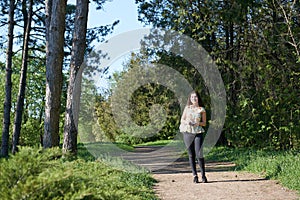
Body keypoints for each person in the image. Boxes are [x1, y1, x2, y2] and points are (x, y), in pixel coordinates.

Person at [180, 91, 208, 183]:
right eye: (192, 97)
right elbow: (182, 120)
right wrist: (187, 122)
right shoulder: (187, 108)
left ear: (198, 98)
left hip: (198, 132)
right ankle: (195, 175)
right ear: (190, 99)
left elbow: (204, 123)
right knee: (191, 154)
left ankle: (203, 175)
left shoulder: (202, 109)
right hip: (187, 132)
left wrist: (197, 123)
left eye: (195, 97)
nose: (194, 99)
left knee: (199, 153)